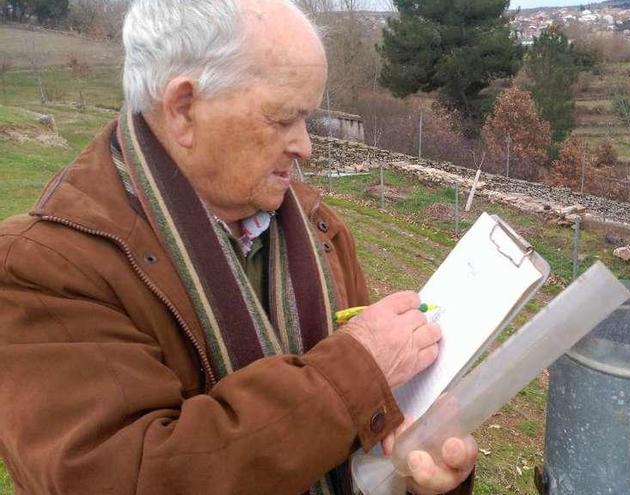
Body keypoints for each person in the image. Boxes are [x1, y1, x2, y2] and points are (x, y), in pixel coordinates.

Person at [0, 1, 477, 493]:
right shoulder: (44, 268)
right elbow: (129, 477)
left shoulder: (321, 233)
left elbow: (372, 441)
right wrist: (358, 369)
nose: (305, 146)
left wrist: (418, 471)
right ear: (184, 108)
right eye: (283, 119)